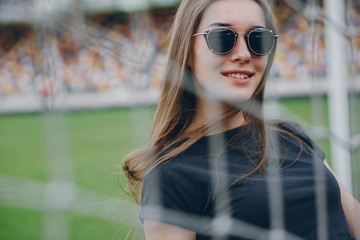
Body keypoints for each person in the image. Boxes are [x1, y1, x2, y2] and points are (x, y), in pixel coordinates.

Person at [122, 0, 360, 239]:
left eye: (258, 39)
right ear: (187, 51)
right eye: (222, 37)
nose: (244, 54)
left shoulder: (291, 134)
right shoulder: (171, 175)